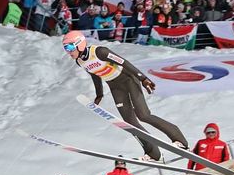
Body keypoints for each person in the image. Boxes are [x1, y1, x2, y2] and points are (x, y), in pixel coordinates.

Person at [62, 31, 188, 161]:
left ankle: (179, 139)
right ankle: (153, 153)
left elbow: (124, 62)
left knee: (143, 115)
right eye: (65, 48)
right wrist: (99, 94)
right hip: (115, 86)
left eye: (70, 47)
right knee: (130, 124)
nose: (68, 51)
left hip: (129, 80)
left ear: (79, 44)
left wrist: (143, 79)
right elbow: (94, 74)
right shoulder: (80, 61)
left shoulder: (100, 52)